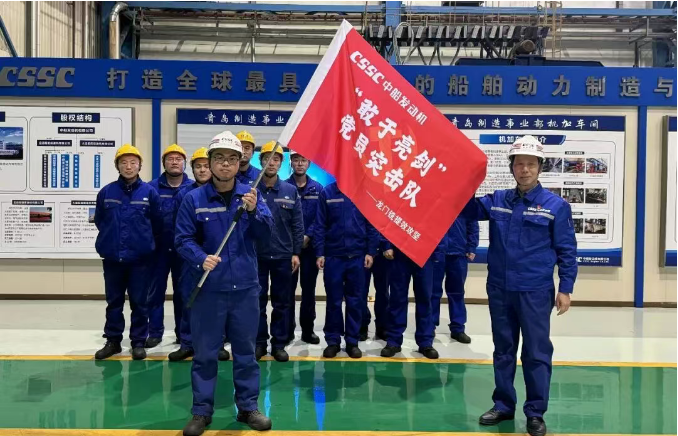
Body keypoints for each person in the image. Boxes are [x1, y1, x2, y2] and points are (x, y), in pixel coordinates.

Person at [463, 135, 577, 436]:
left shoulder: (555, 206)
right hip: (500, 289)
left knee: (536, 352)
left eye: (531, 164)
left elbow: (567, 250)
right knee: (503, 349)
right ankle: (503, 405)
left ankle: (535, 412)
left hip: (535, 291)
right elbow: (465, 209)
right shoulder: (498, 200)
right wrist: (459, 179)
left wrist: (565, 288)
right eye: (519, 164)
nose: (524, 170)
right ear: (512, 167)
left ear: (540, 168)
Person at [175, 131, 273, 435]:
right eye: (219, 158)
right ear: (210, 162)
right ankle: (201, 411)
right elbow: (182, 239)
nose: (226, 164)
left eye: (232, 158)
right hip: (209, 290)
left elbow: (267, 234)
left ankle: (248, 407)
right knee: (205, 355)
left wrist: (255, 212)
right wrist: (200, 258)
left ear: (239, 161)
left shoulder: (251, 196)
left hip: (244, 289)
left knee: (246, 354)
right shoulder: (193, 199)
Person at [93, 144, 162, 361]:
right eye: (123, 162)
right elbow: (100, 221)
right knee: (114, 302)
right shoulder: (107, 192)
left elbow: (157, 224)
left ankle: (138, 342)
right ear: (117, 166)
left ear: (140, 165)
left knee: (139, 302)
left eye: (133, 162)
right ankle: (113, 341)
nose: (128, 166)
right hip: (113, 258)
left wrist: (143, 244)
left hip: (140, 260)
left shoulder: (149, 193)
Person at [168, 148, 229, 362]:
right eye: (198, 166)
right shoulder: (185, 195)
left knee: (216, 304)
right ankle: (187, 343)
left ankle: (217, 343)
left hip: (216, 259)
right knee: (188, 301)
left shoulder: (223, 193)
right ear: (192, 169)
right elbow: (179, 229)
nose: (202, 170)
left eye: (205, 166)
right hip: (189, 260)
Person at [314, 182, 378, 359]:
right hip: (334, 256)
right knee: (333, 301)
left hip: (358, 256)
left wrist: (371, 252)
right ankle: (333, 341)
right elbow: (320, 225)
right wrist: (319, 252)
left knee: (355, 301)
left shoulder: (364, 193)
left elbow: (372, 224)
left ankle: (352, 341)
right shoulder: (327, 193)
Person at [255, 141, 304, 362]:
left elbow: (297, 225)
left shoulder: (290, 191)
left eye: (275, 159)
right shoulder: (251, 190)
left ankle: (278, 344)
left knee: (282, 302)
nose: (271, 163)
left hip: (283, 257)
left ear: (281, 163)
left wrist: (295, 253)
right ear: (261, 161)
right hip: (257, 256)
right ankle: (259, 343)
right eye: (267, 158)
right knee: (257, 302)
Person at [147, 144, 194, 348]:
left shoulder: (193, 188)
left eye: (178, 159)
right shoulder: (151, 188)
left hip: (184, 251)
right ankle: (154, 332)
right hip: (157, 249)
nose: (174, 162)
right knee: (155, 292)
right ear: (164, 163)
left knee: (183, 293)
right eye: (170, 159)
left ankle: (182, 333)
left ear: (184, 163)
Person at [380, 239, 445, 360]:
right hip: (400, 252)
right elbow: (389, 226)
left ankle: (425, 342)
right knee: (397, 299)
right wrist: (387, 245)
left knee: (425, 299)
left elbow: (439, 229)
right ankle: (393, 341)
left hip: (425, 253)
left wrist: (438, 251)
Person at [286, 150, 323, 344]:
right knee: (287, 291)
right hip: (288, 249)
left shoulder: (318, 189)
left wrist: (308, 235)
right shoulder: (284, 187)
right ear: (291, 162)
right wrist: (295, 240)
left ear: (309, 163)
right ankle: (287, 330)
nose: (300, 163)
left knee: (308, 291)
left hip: (310, 248)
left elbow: (320, 218)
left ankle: (308, 330)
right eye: (296, 160)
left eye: (303, 160)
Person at [431, 215, 479, 344]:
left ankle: (458, 328)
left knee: (457, 293)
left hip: (459, 252)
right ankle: (429, 326)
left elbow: (472, 223)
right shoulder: (432, 201)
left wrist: (471, 246)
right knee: (433, 292)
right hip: (435, 251)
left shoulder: (464, 203)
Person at [361, 233, 391, 341]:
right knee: (360, 291)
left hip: (383, 253)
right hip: (363, 250)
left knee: (383, 292)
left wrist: (387, 245)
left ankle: (382, 326)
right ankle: (362, 325)